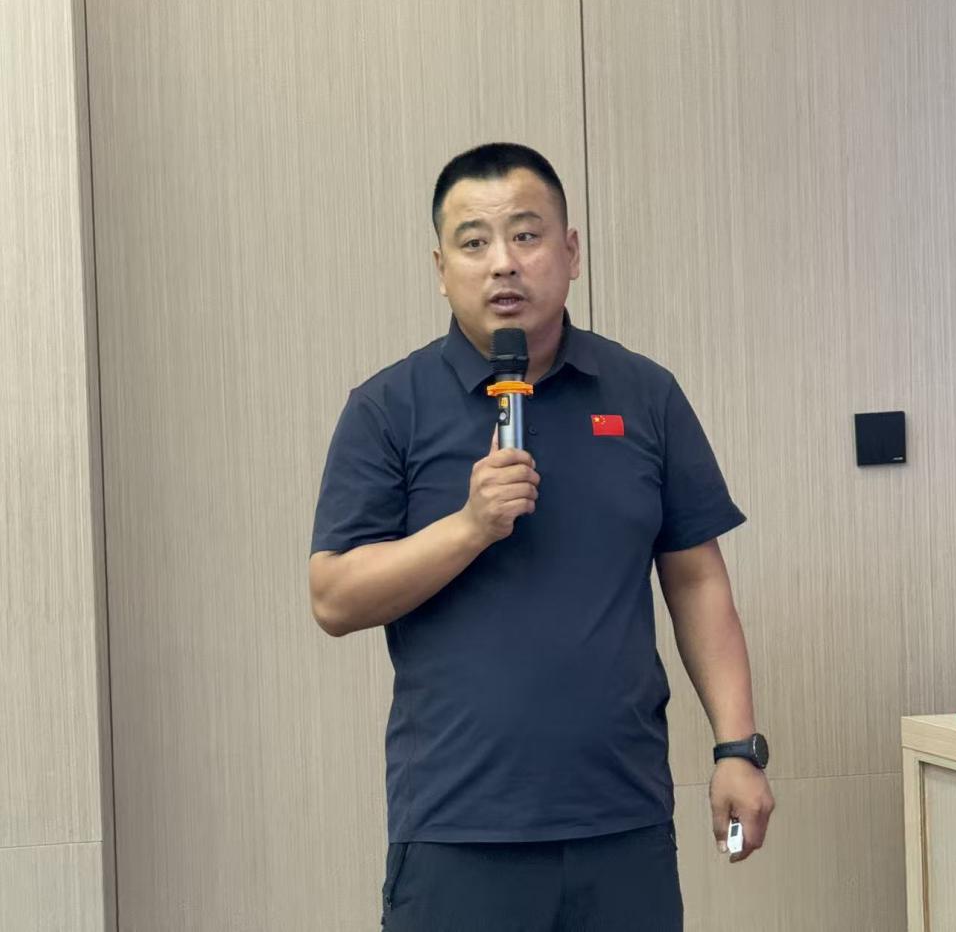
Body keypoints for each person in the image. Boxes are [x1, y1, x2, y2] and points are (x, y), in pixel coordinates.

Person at [310, 142, 773, 931]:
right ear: (441, 267)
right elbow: (334, 598)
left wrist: (737, 747)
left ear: (571, 252)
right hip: (458, 829)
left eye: (526, 235)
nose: (503, 263)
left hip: (621, 819)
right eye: (474, 242)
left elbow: (697, 580)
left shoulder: (645, 395)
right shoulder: (389, 408)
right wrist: (468, 528)